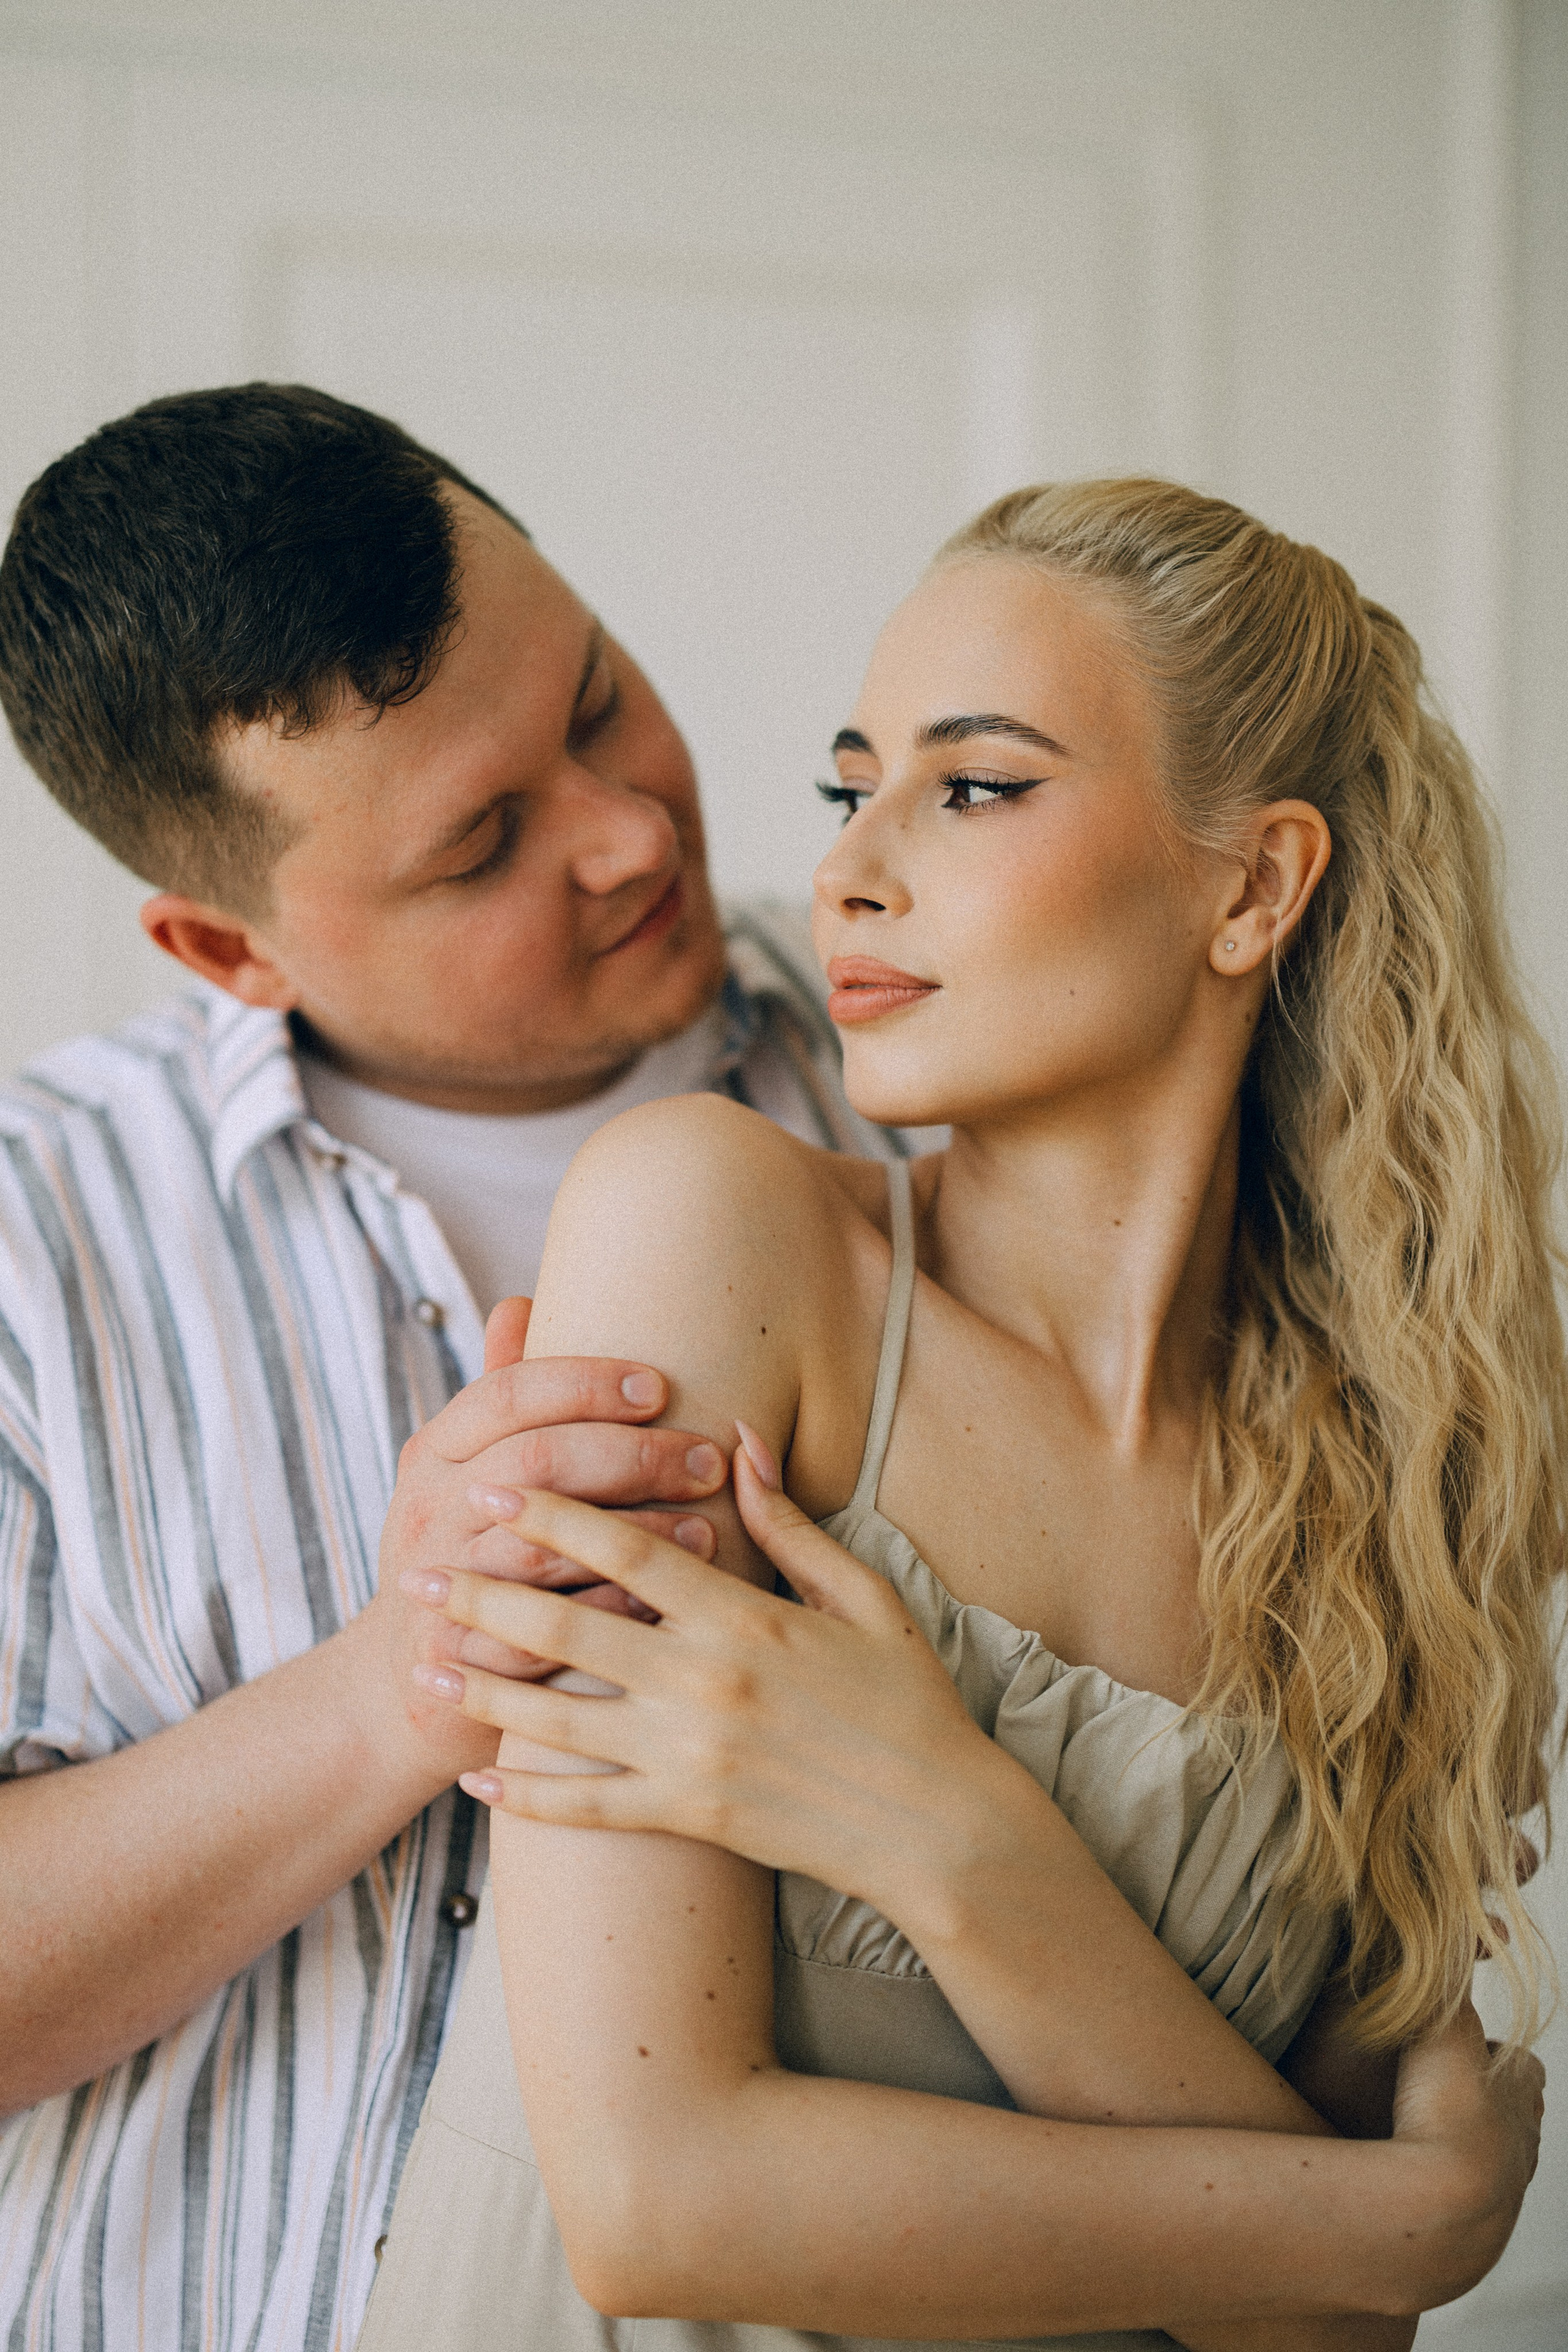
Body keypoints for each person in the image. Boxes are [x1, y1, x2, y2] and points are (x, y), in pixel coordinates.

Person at [361, 479, 1560, 2349]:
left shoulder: (1412, 1478)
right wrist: (1390, 2219)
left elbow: (1326, 2325)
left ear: (1253, 885)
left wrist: (944, 1832)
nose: (847, 868)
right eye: (856, 787)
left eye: (975, 785)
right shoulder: (716, 1230)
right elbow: (655, 2203)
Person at [0, 383, 910, 2352]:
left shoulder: (955, 1080)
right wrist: (402, 1680)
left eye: (593, 699)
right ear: (224, 948)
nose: (629, 830)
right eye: (482, 841)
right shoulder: (25, 1242)